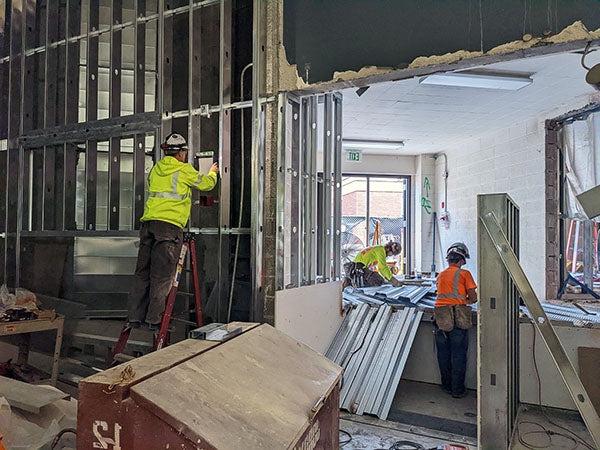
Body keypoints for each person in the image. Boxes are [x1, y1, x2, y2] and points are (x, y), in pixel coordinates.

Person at [127, 133, 219, 329]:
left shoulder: (155, 169)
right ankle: (154, 320)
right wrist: (212, 172)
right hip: (168, 228)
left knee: (142, 274)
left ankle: (135, 318)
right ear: (181, 153)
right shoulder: (184, 170)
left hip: (148, 226)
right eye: (184, 152)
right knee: (161, 276)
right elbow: (207, 184)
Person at [434, 242, 477, 398]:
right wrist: (466, 300)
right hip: (458, 318)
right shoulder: (464, 274)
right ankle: (457, 390)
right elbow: (473, 297)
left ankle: (446, 386)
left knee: (443, 355)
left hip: (440, 318)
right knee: (458, 355)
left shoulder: (440, 275)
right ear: (462, 260)